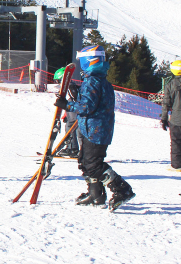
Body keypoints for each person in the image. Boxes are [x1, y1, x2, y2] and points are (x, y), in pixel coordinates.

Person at [54, 45, 134, 211]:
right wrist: (77, 96)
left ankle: (122, 190)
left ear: (88, 61)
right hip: (96, 129)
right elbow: (93, 103)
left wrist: (67, 105)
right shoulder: (100, 81)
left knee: (93, 165)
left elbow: (87, 107)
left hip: (95, 131)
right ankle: (95, 194)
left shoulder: (92, 81)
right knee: (84, 161)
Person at [53, 66, 79, 158]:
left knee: (71, 126)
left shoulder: (70, 86)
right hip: (71, 109)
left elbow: (74, 99)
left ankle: (73, 149)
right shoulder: (68, 87)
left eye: (57, 81)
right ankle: (72, 147)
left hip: (74, 109)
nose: (57, 83)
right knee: (69, 125)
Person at [161, 59, 181, 170]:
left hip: (176, 119)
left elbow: (166, 103)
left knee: (176, 142)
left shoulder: (170, 85)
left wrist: (164, 119)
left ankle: (177, 165)